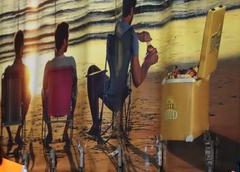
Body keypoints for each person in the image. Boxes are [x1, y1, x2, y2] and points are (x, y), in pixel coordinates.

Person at [86, 0, 159, 140]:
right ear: (132, 11)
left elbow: (125, 33)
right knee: (103, 72)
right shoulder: (131, 38)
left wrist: (139, 36)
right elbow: (137, 80)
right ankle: (115, 120)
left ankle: (96, 124)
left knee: (92, 71)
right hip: (118, 96)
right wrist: (148, 63)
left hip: (108, 90)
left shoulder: (117, 29)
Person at [41, 21, 77, 145]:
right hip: (67, 106)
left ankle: (50, 132)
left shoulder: (48, 65)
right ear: (65, 41)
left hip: (52, 107)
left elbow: (44, 89)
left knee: (43, 94)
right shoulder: (71, 62)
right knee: (74, 92)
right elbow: (74, 85)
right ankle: (65, 131)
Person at [1, 30, 31, 148]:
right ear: (23, 48)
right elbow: (25, 94)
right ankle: (18, 133)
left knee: (4, 101)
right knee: (28, 96)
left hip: (8, 111)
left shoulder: (7, 71)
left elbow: (4, 95)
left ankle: (9, 135)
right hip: (18, 109)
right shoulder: (25, 69)